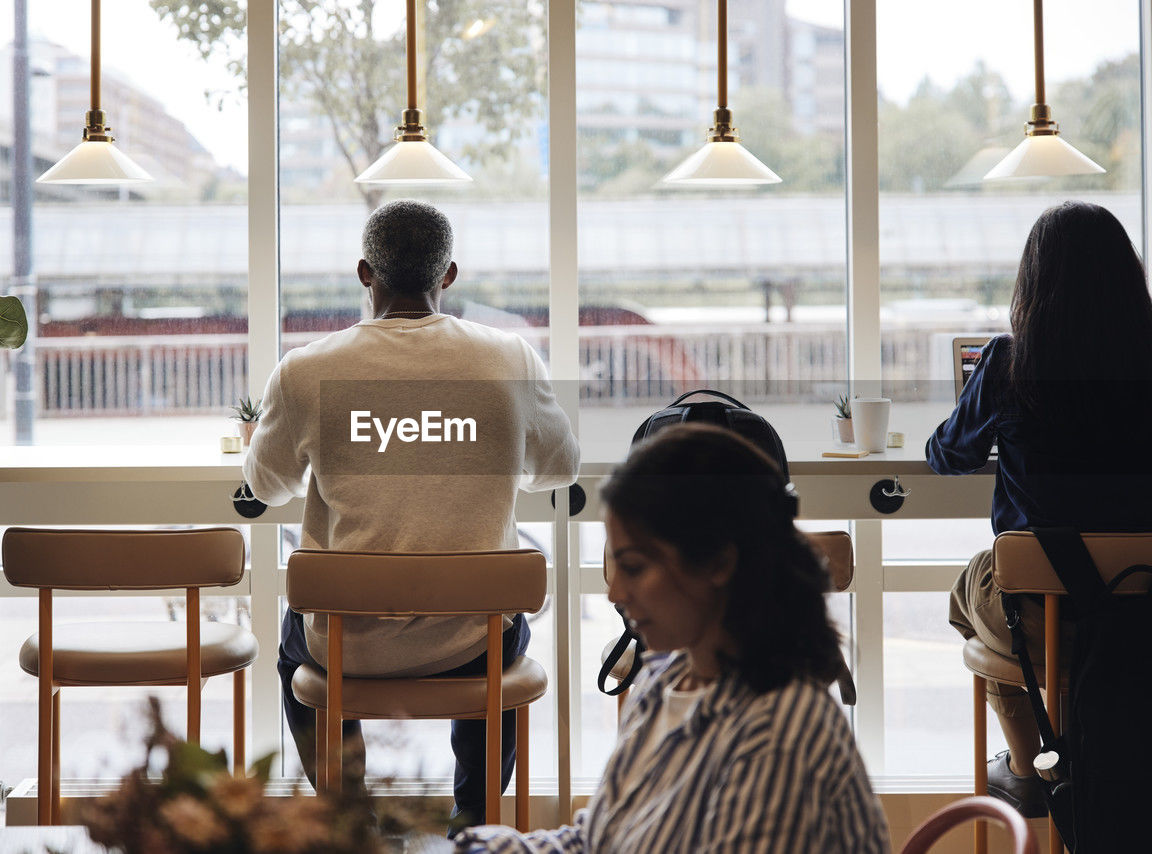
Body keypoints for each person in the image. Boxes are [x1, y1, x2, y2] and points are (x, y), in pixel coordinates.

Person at [243, 199, 580, 827]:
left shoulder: (305, 370)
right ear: (448, 274)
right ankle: (474, 821)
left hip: (345, 649)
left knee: (294, 644)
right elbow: (560, 468)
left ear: (365, 273)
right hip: (471, 646)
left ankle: (352, 821)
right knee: (499, 630)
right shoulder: (509, 359)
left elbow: (267, 484)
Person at [458, 423, 890, 853]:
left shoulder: (777, 734)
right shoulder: (664, 682)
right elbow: (598, 840)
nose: (615, 593)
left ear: (718, 562)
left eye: (634, 567)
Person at [928, 200, 1152, 817]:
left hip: (1044, 619)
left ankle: (1033, 766)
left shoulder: (1008, 362)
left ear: (1034, 281)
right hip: (1142, 607)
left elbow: (946, 455)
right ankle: (1103, 749)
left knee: (967, 588)